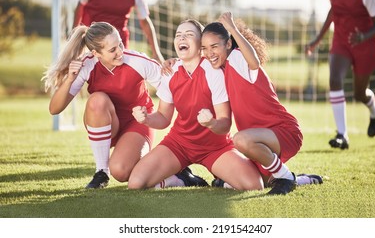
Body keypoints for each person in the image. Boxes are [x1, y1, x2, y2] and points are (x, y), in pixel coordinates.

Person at [42, 21, 207, 189]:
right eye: (112, 50)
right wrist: (70, 79)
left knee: (121, 172)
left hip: (137, 123)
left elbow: (171, 83)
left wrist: (178, 64)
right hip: (108, 122)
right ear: (95, 53)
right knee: (97, 100)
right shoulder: (87, 64)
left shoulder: (137, 61)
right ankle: (101, 172)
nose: (120, 51)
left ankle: (177, 178)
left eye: (120, 44)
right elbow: (54, 109)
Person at [128, 19, 265, 192]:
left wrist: (211, 123)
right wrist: (147, 118)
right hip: (179, 143)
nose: (182, 38)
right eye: (178, 35)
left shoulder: (214, 71)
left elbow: (224, 124)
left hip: (215, 147)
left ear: (200, 43)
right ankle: (182, 179)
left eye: (189, 34)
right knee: (135, 184)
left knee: (254, 186)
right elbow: (163, 118)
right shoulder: (170, 72)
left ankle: (222, 182)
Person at [200, 12, 323, 195]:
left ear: (228, 44)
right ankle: (300, 179)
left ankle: (286, 178)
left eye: (214, 46)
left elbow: (254, 63)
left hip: (282, 132)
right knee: (257, 182)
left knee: (239, 139)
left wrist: (232, 29)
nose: (209, 53)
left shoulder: (237, 58)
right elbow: (193, 62)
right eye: (205, 48)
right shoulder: (221, 70)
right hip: (260, 141)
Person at [306, 0, 375, 149]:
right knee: (334, 80)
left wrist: (363, 36)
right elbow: (333, 12)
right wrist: (316, 40)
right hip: (341, 42)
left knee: (359, 94)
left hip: (365, 45)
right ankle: (342, 135)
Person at [73, 0, 164, 63]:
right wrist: (73, 36)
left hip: (118, 42)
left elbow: (145, 22)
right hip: (93, 41)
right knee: (92, 75)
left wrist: (156, 52)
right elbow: (80, 8)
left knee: (119, 77)